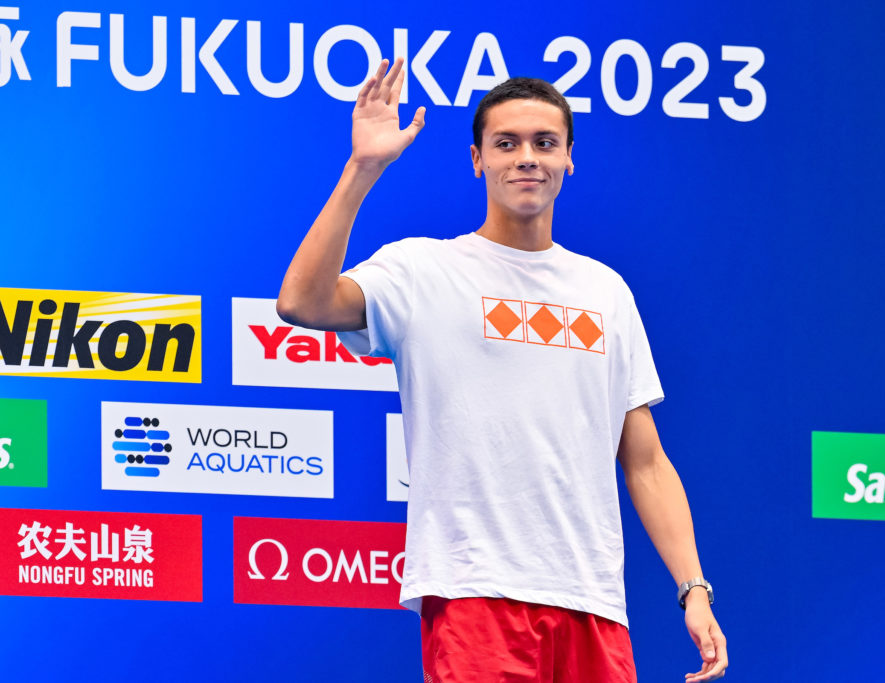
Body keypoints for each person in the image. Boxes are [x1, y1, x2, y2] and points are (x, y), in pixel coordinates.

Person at [277, 58, 727, 682]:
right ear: (477, 159)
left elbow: (646, 461)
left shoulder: (607, 292)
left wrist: (693, 589)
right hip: (474, 592)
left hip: (592, 602)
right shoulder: (423, 270)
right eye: (506, 143)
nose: (526, 158)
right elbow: (302, 302)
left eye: (545, 143)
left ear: (569, 158)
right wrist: (363, 169)